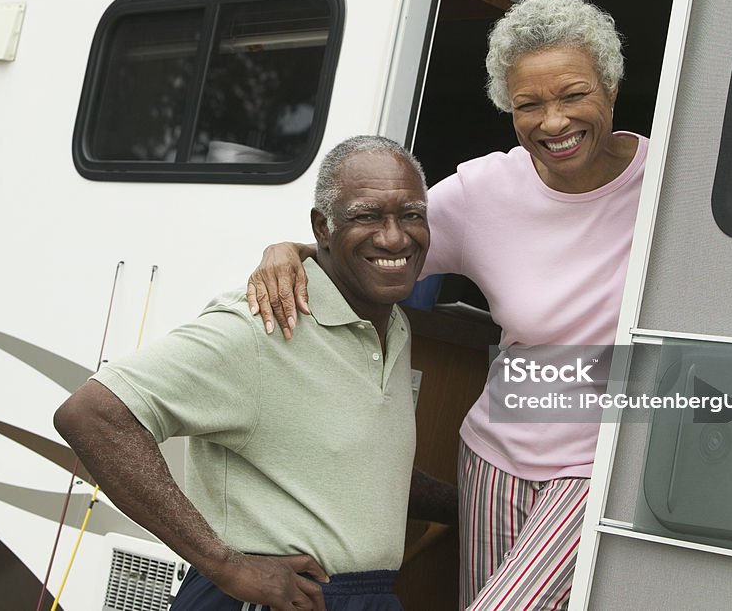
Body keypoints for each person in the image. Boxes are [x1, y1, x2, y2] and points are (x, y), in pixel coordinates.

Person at [245, 0, 648, 610]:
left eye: (573, 95)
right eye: (528, 105)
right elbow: (378, 248)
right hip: (496, 455)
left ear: (610, 88)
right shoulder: (485, 190)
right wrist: (291, 250)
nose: (554, 122)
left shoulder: (670, 179)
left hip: (605, 460)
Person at [54, 135, 456, 611]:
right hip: (278, 597)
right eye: (366, 215)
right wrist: (226, 565)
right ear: (322, 228)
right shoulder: (264, 324)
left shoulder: (392, 324)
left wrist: (472, 506)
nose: (393, 236)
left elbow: (362, 473)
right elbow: (92, 414)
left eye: (411, 214)